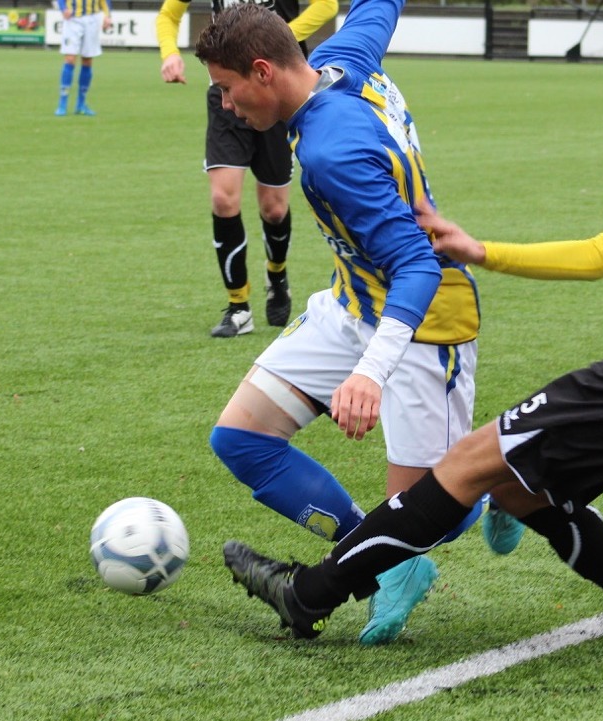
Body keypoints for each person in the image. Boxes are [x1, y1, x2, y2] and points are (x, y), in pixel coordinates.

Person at [221, 30, 603, 646]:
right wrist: (482, 251)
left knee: (469, 462)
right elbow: (598, 254)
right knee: (520, 491)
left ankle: (307, 595)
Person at [193, 0, 484, 644]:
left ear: (263, 71)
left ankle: (497, 482)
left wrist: (370, 374)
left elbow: (417, 265)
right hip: (352, 301)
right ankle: (388, 564)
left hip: (421, 323)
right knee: (241, 439)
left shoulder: (333, 151)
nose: (225, 106)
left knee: (430, 514)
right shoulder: (338, 59)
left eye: (227, 88)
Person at [158, 0, 337, 337]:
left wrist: (277, 40)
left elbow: (327, 6)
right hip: (228, 92)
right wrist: (169, 52)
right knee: (223, 199)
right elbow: (169, 14)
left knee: (274, 209)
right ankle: (238, 306)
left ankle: (277, 274)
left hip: (275, 90)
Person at [55, 0, 112, 116]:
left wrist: (107, 15)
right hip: (72, 18)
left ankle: (81, 104)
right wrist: (63, 8)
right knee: (70, 58)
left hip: (92, 18)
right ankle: (62, 104)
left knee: (87, 60)